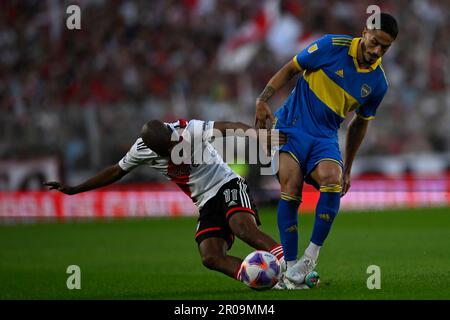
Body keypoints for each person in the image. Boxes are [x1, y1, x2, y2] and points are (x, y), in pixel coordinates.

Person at [45, 118, 286, 284]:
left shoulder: (189, 129)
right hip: (204, 201)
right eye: (166, 151)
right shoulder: (140, 151)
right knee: (210, 256)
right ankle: (263, 280)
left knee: (243, 228)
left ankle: (291, 268)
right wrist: (75, 189)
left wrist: (260, 136)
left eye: (173, 145)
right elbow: (115, 171)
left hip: (226, 184)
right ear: (152, 149)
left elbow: (229, 127)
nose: (173, 151)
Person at [254, 13, 399, 289]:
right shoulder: (330, 45)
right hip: (291, 126)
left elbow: (359, 125)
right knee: (291, 186)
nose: (377, 50)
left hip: (325, 136)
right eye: (375, 42)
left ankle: (308, 259)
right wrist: (262, 100)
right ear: (364, 33)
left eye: (385, 47)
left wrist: (349, 167)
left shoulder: (378, 84)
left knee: (332, 180)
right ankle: (289, 266)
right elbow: (290, 68)